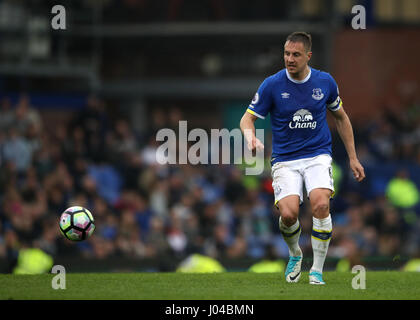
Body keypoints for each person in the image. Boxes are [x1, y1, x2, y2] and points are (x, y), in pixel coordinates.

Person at [239, 32, 365, 285]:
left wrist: (353, 157)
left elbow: (341, 117)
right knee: (288, 215)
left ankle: (317, 269)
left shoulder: (325, 82)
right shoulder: (272, 85)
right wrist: (250, 137)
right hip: (285, 159)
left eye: (296, 54)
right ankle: (296, 253)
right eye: (286, 54)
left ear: (308, 56)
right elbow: (247, 118)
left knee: (320, 205)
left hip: (317, 154)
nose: (289, 59)